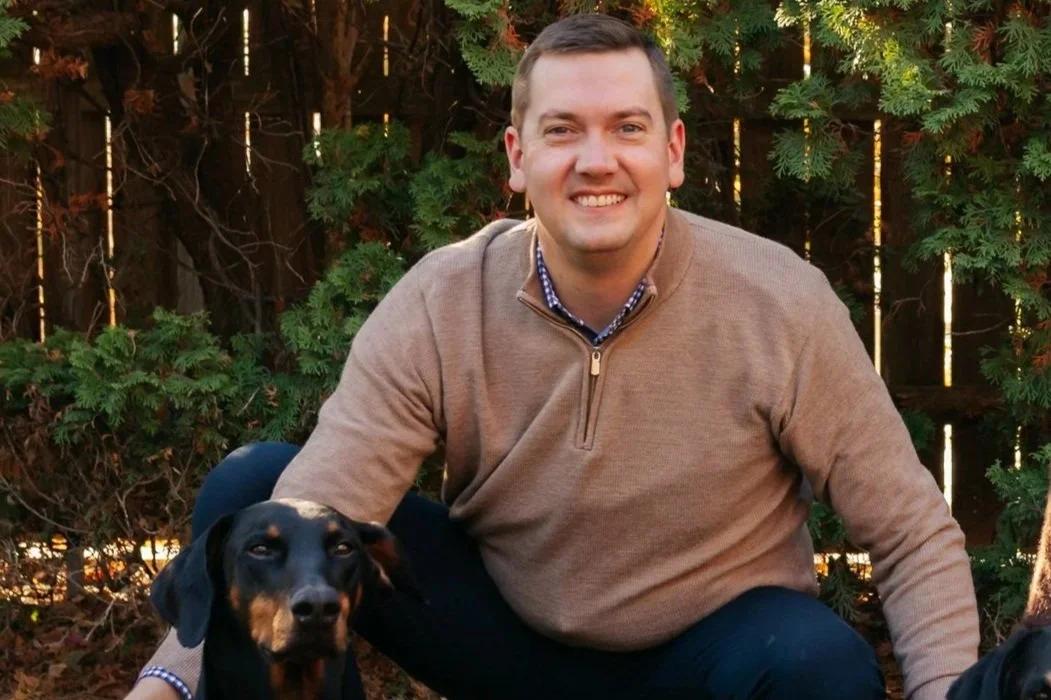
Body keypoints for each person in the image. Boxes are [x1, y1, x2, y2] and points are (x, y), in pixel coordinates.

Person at [127, 13, 980, 700]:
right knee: (260, 498)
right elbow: (330, 501)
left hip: (705, 656)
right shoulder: (443, 297)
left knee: (818, 664)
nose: (595, 160)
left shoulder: (778, 302)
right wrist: (165, 683)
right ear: (517, 157)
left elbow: (909, 533)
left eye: (627, 128)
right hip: (505, 642)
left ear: (672, 153)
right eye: (562, 130)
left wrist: (949, 692)